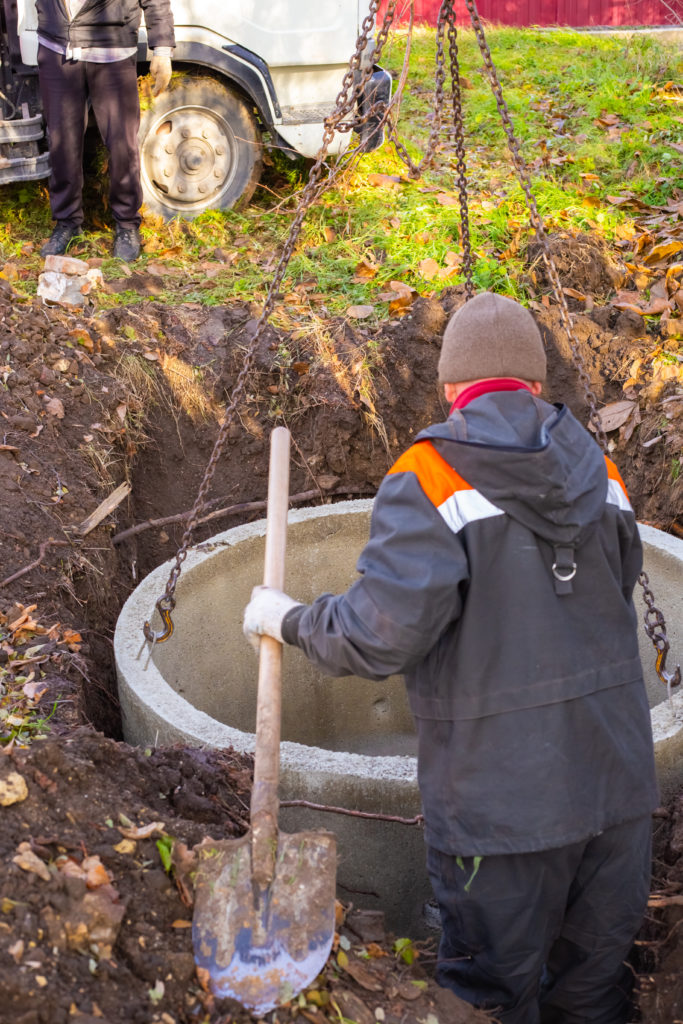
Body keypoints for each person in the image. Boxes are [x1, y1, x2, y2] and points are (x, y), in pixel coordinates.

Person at [243, 291, 659, 1024]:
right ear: (535, 384)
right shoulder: (601, 469)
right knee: (592, 986)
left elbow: (378, 634)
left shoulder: (431, 475)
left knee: (493, 997)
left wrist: (289, 619)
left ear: (449, 388)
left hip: (498, 811)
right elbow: (610, 590)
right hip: (615, 788)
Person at [36, 0, 175, 262]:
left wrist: (163, 49)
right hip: (58, 46)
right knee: (61, 144)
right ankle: (67, 223)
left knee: (122, 144)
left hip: (113, 49)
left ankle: (127, 224)